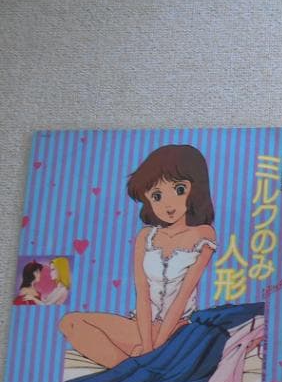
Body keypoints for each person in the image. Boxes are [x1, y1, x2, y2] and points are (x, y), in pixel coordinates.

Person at [59, 144, 217, 368]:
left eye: (179, 189)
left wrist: (157, 346)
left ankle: (136, 366)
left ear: (195, 188)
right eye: (157, 195)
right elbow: (142, 295)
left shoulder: (203, 234)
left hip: (177, 327)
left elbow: (182, 297)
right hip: (141, 325)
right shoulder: (146, 236)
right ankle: (136, 368)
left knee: (146, 349)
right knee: (70, 322)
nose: (168, 204)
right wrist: (147, 343)